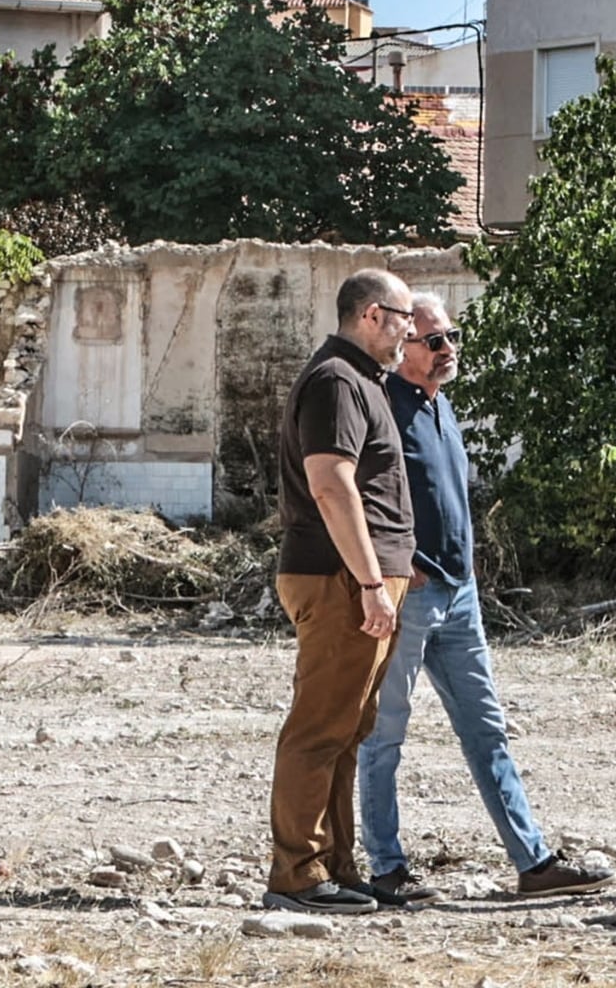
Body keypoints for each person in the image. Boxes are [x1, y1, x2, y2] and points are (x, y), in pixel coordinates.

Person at [356, 294, 613, 904]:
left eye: (451, 337)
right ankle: (386, 869)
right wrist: (399, 565)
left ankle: (533, 861)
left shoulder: (440, 407)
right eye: (434, 341)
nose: (448, 350)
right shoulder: (384, 407)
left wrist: (462, 561)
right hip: (410, 595)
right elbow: (358, 495)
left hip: (458, 595)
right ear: (404, 347)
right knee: (384, 733)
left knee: (487, 730)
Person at [262, 267, 420, 916]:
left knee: (346, 728)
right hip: (338, 580)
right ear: (371, 315)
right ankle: (296, 873)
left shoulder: (363, 382)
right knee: (320, 727)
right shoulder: (336, 381)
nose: (411, 330)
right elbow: (332, 486)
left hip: (360, 578)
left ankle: (333, 864)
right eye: (403, 318)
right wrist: (368, 582)